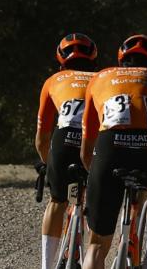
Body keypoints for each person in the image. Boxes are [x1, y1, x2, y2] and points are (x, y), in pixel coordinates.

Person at [80, 35, 147, 269]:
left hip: (109, 147)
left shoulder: (99, 78)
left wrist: (95, 174)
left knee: (96, 244)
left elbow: (88, 138)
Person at [33, 33, 99, 269]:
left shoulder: (53, 81)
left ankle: (46, 265)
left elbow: (42, 136)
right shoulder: (102, 78)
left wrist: (47, 164)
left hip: (65, 139)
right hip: (96, 140)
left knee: (57, 201)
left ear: (60, 59)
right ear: (93, 58)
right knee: (99, 203)